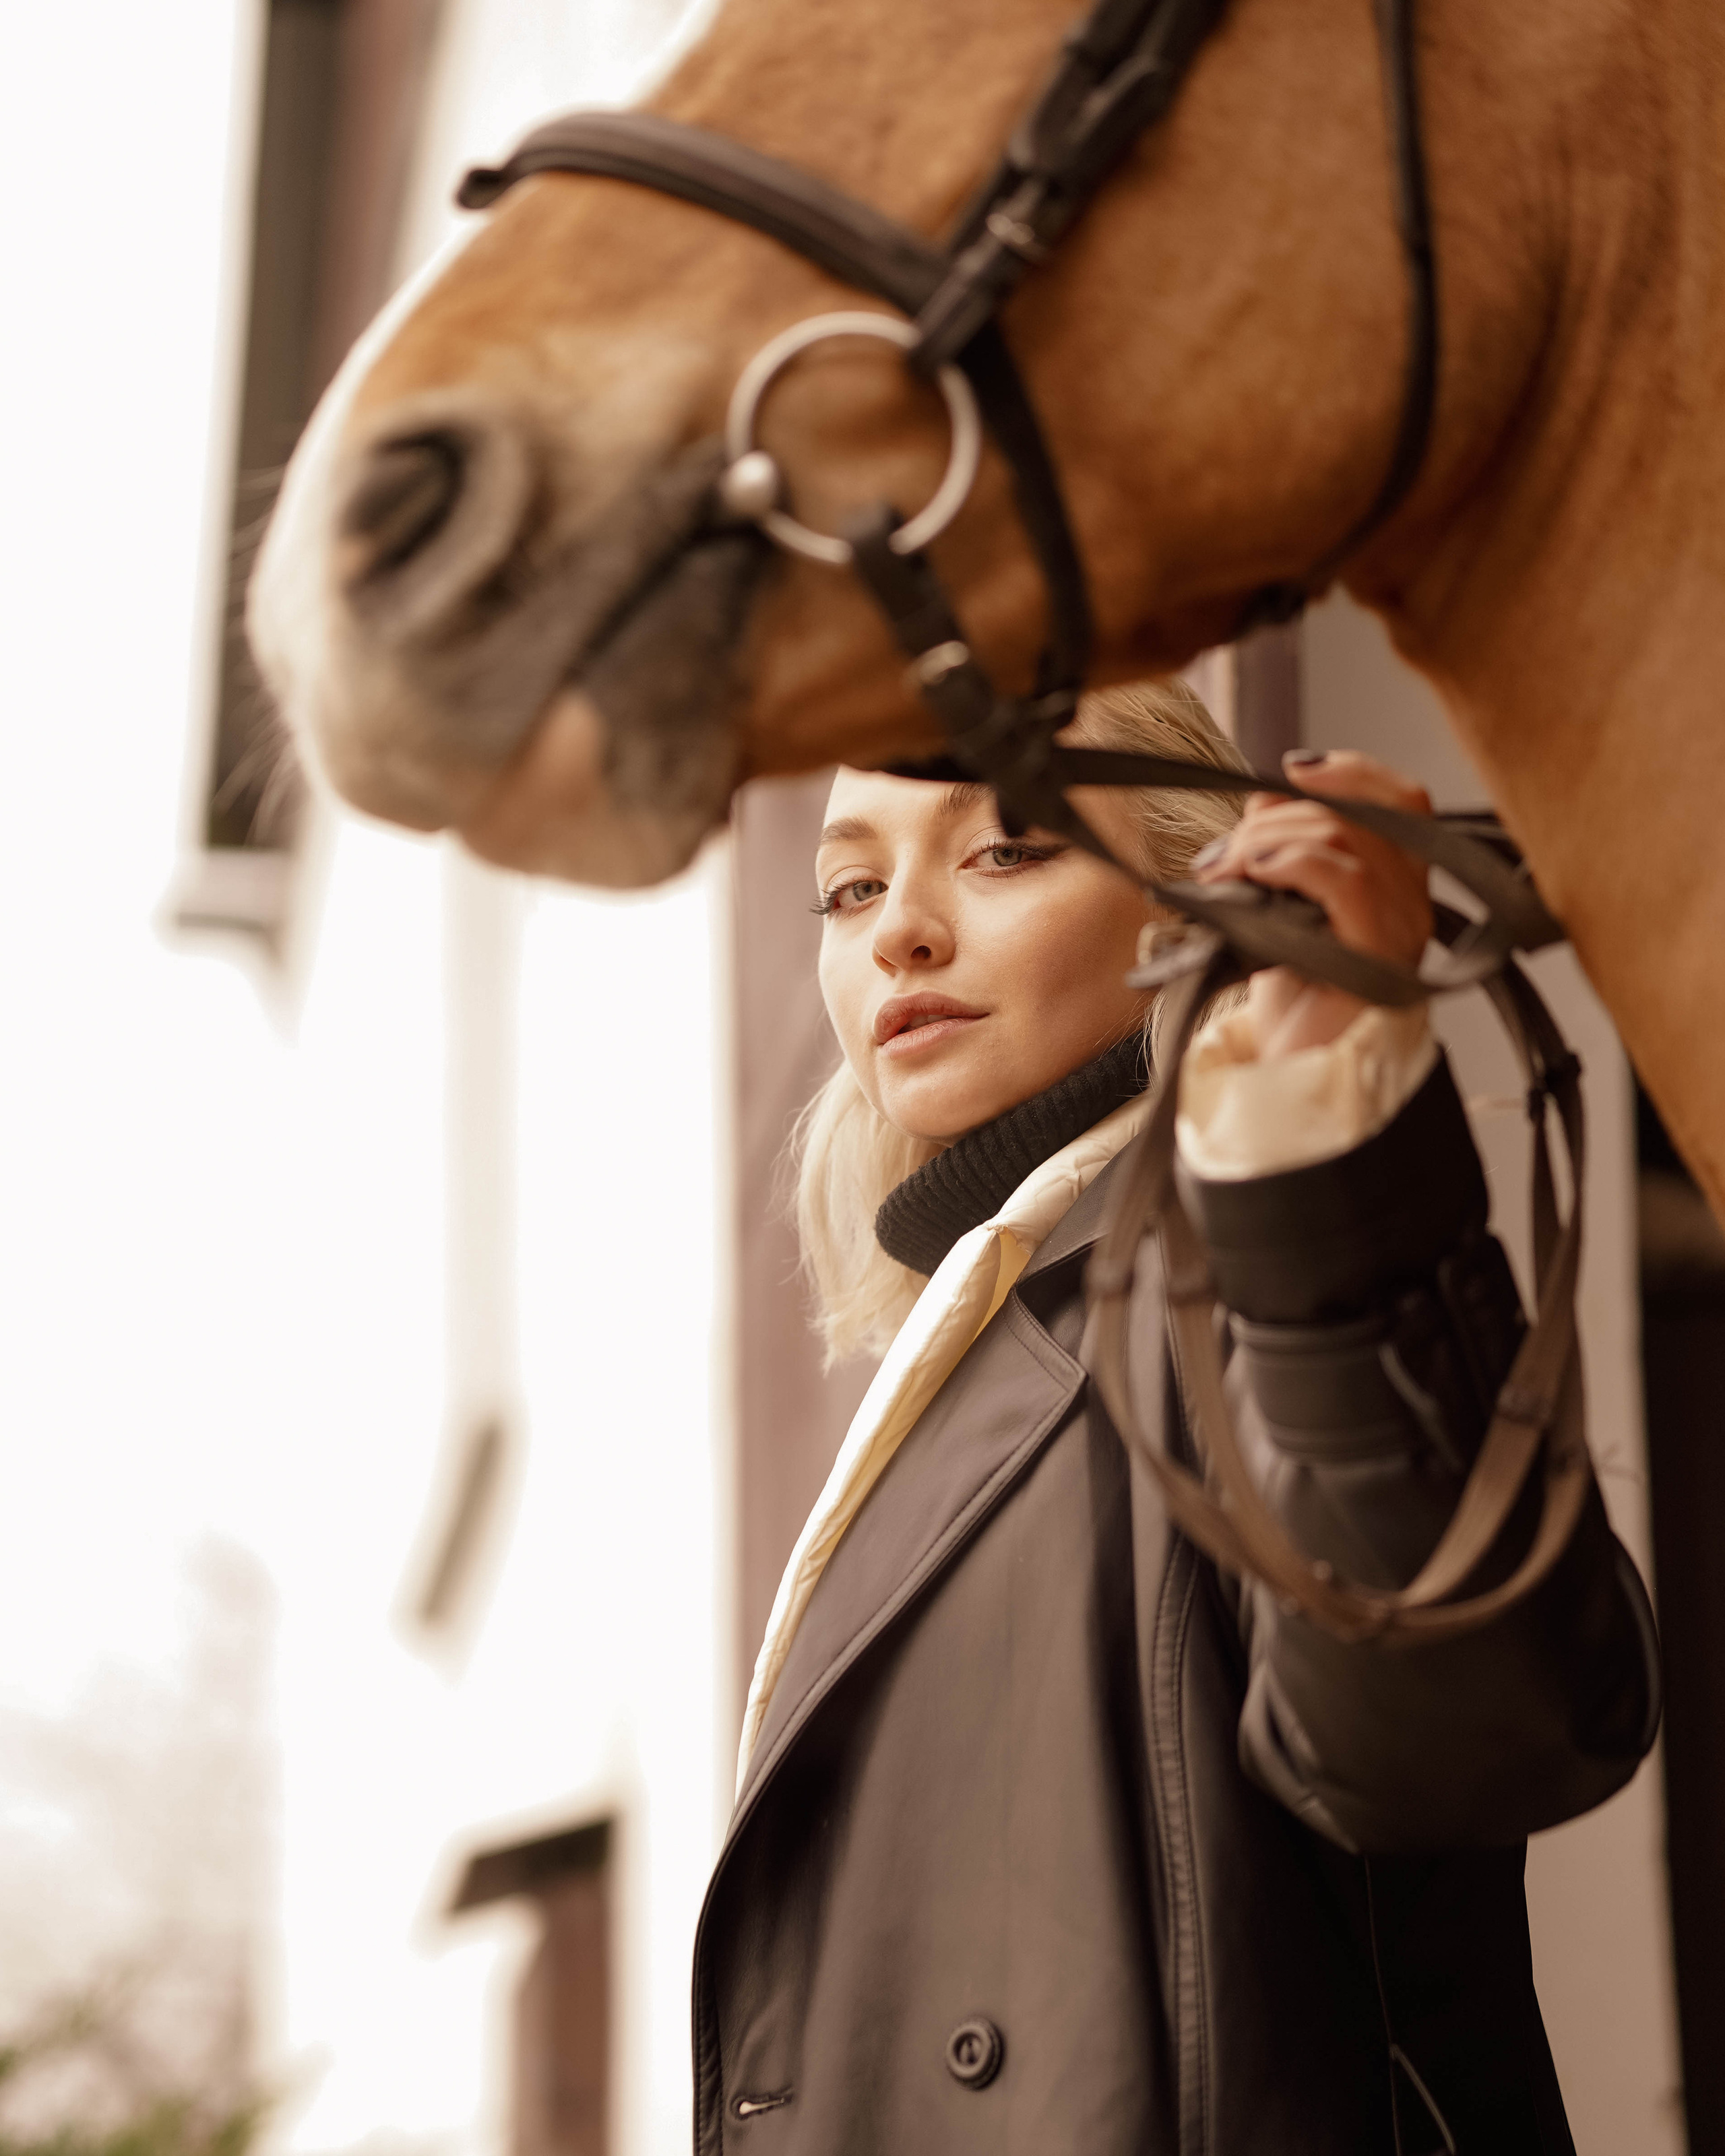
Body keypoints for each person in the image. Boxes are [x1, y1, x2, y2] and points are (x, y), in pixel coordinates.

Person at [694, 680, 1659, 2155]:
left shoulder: (1242, 1284)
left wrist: (1319, 1147)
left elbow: (1484, 1726)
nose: (897, 928)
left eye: (1004, 848)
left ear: (1194, 910)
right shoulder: (972, 1363)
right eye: (849, 883)